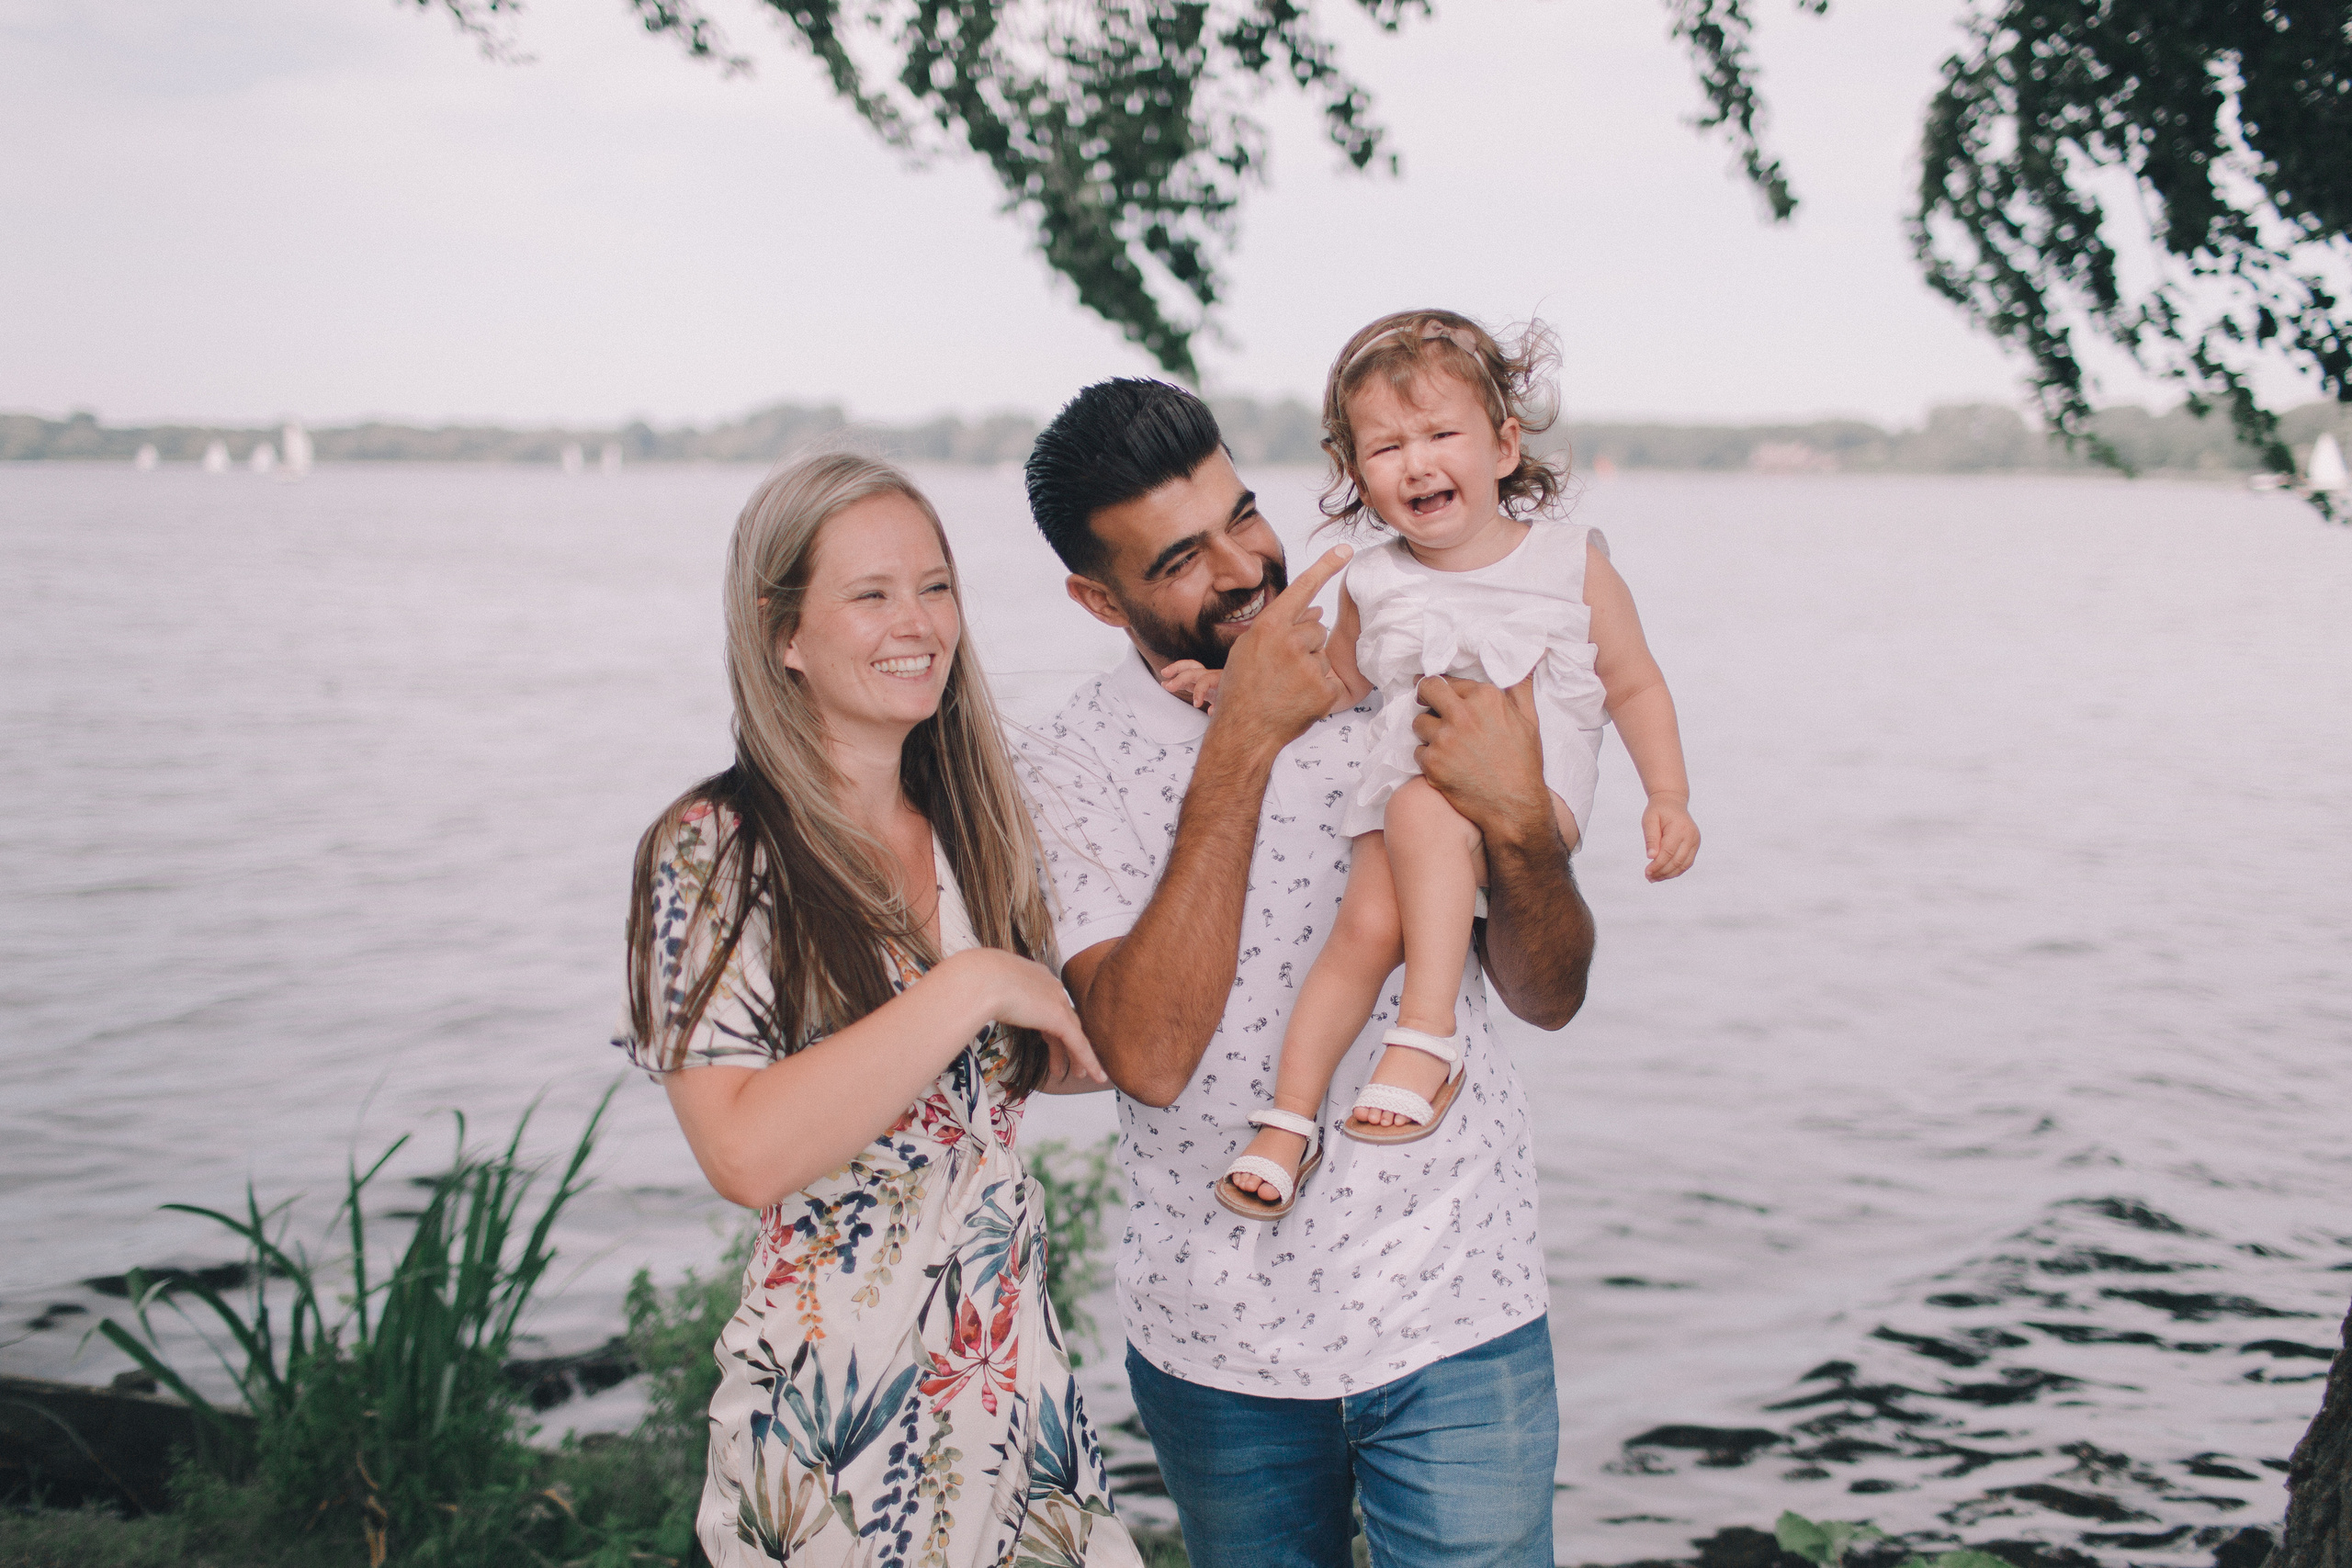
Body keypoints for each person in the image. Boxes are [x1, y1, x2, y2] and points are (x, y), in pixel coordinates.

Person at [1013, 380, 1596, 1566]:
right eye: (1183, 555)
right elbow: (1149, 1055)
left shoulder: (1402, 649)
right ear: (1095, 595)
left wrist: (1521, 823)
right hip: (1221, 1347)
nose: (1245, 565)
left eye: (1245, 512)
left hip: (1458, 1305)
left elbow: (1550, 992)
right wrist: (1244, 738)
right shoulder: (1066, 762)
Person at [613, 453, 1144, 1568]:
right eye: (871, 594)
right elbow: (747, 1150)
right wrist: (979, 983)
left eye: (936, 585)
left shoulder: (980, 819)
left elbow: (982, 1084)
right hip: (835, 1427)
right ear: (783, 634)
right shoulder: (713, 852)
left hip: (1012, 1397)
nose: (918, 623)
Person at [1160, 310, 1700, 1214]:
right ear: (1355, 475)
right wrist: (1230, 686)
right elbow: (1332, 684)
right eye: (1385, 447)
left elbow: (1635, 685)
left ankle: (1428, 1033)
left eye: (1440, 434)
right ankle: (1291, 1122)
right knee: (1361, 931)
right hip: (1408, 793)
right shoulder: (1375, 580)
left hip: (1529, 797)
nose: (1415, 462)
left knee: (1418, 810)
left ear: (1502, 446)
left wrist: (1669, 795)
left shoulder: (1570, 564)